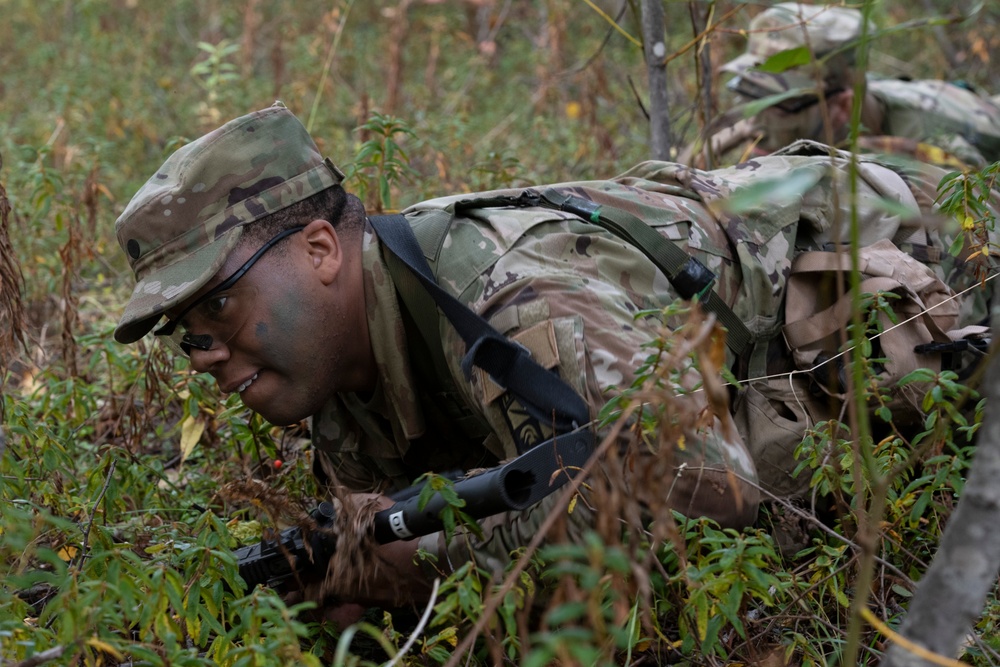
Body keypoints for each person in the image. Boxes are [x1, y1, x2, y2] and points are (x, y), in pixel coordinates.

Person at [112, 103, 978, 621]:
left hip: (911, 250)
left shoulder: (512, 293)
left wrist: (418, 561)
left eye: (216, 304)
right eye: (180, 331)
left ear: (319, 250)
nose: (201, 353)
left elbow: (702, 497)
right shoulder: (339, 390)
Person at [684, 3, 1000, 170]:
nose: (754, 119)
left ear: (843, 106)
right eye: (752, 93)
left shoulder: (932, 150)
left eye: (781, 104)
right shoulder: (805, 110)